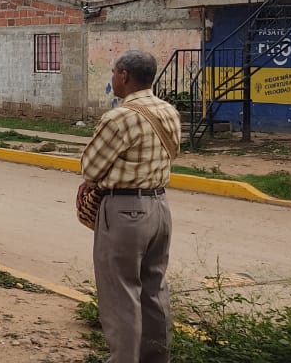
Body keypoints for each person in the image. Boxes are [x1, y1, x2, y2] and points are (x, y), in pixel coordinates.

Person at [81, 50, 181, 363]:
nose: (112, 78)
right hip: (159, 207)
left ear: (124, 75)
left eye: (113, 72)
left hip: (125, 212)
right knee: (154, 291)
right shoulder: (168, 111)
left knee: (121, 294)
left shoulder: (120, 116)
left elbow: (91, 169)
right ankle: (156, 358)